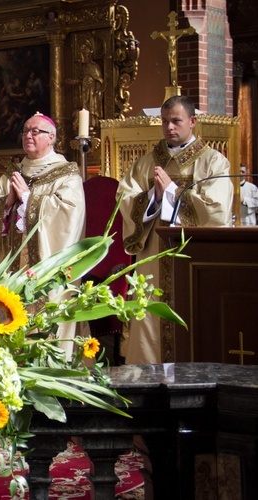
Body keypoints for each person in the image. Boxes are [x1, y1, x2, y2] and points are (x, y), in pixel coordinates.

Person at [117, 95, 233, 364]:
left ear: (192, 122)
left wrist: (171, 191)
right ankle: (146, 380)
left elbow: (217, 210)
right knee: (150, 319)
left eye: (176, 121)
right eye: (165, 121)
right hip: (153, 258)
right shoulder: (145, 163)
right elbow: (124, 198)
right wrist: (153, 198)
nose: (169, 127)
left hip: (192, 259)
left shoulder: (213, 162)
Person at [0, 112, 85, 357]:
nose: (28, 135)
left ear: (51, 138)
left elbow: (69, 214)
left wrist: (28, 198)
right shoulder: (13, 172)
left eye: (35, 131)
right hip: (11, 264)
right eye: (25, 131)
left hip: (46, 263)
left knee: (45, 317)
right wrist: (6, 202)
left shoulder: (66, 173)